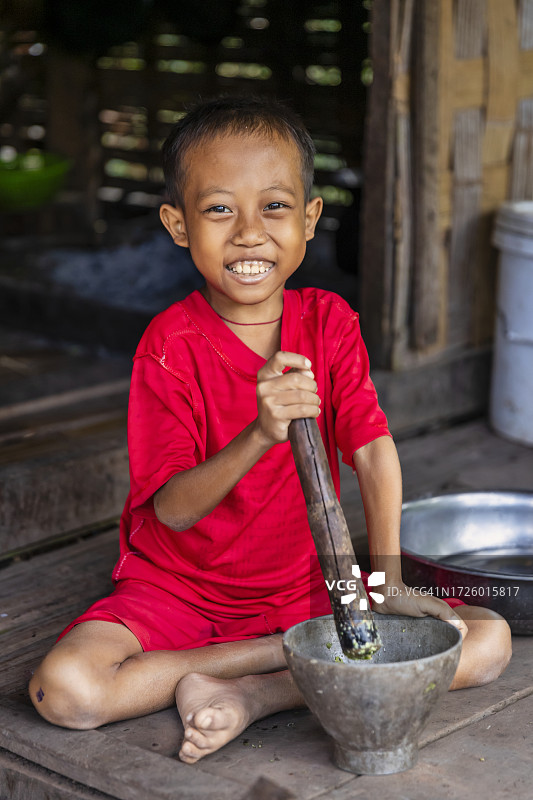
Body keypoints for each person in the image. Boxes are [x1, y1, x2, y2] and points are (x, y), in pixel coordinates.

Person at [29, 96, 512, 764]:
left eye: (275, 207)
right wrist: (259, 433)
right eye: (219, 208)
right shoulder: (169, 344)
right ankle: (296, 652)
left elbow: (371, 451)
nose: (249, 233)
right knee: (68, 691)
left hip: (316, 582)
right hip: (181, 589)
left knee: (485, 640)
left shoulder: (329, 322)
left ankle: (256, 693)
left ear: (310, 218)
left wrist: (387, 579)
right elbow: (170, 509)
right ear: (178, 223)